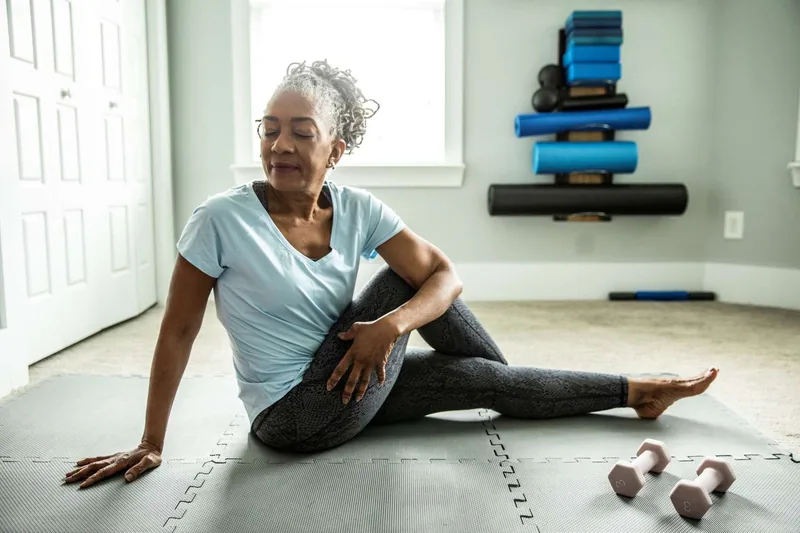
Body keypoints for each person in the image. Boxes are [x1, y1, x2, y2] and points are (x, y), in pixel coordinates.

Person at [64, 60, 718, 489]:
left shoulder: (357, 208)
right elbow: (176, 330)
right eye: (269, 131)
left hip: (348, 373)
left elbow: (446, 275)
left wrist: (391, 327)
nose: (279, 146)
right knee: (418, 290)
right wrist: (151, 441)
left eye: (300, 131)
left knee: (445, 322)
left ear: (334, 148)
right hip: (293, 415)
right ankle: (515, 388)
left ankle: (637, 389)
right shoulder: (220, 220)